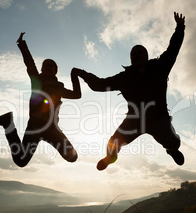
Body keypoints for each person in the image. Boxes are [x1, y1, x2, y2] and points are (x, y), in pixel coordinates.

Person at [72, 12, 186, 171]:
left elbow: (173, 50)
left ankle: (171, 150)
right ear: (131, 59)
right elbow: (99, 84)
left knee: (174, 143)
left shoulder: (159, 68)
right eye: (134, 53)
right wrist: (83, 74)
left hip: (159, 119)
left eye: (141, 52)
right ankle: (111, 157)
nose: (137, 54)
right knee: (113, 142)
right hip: (134, 120)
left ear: (146, 56)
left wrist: (179, 28)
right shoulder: (124, 78)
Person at [0, 32, 81, 167]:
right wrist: (22, 44)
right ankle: (8, 124)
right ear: (42, 69)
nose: (48, 67)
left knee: (72, 157)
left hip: (53, 129)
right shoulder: (37, 82)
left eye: (51, 66)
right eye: (45, 65)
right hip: (35, 127)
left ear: (55, 71)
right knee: (20, 160)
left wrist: (74, 75)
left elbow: (77, 95)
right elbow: (29, 63)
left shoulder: (60, 89)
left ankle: (7, 123)